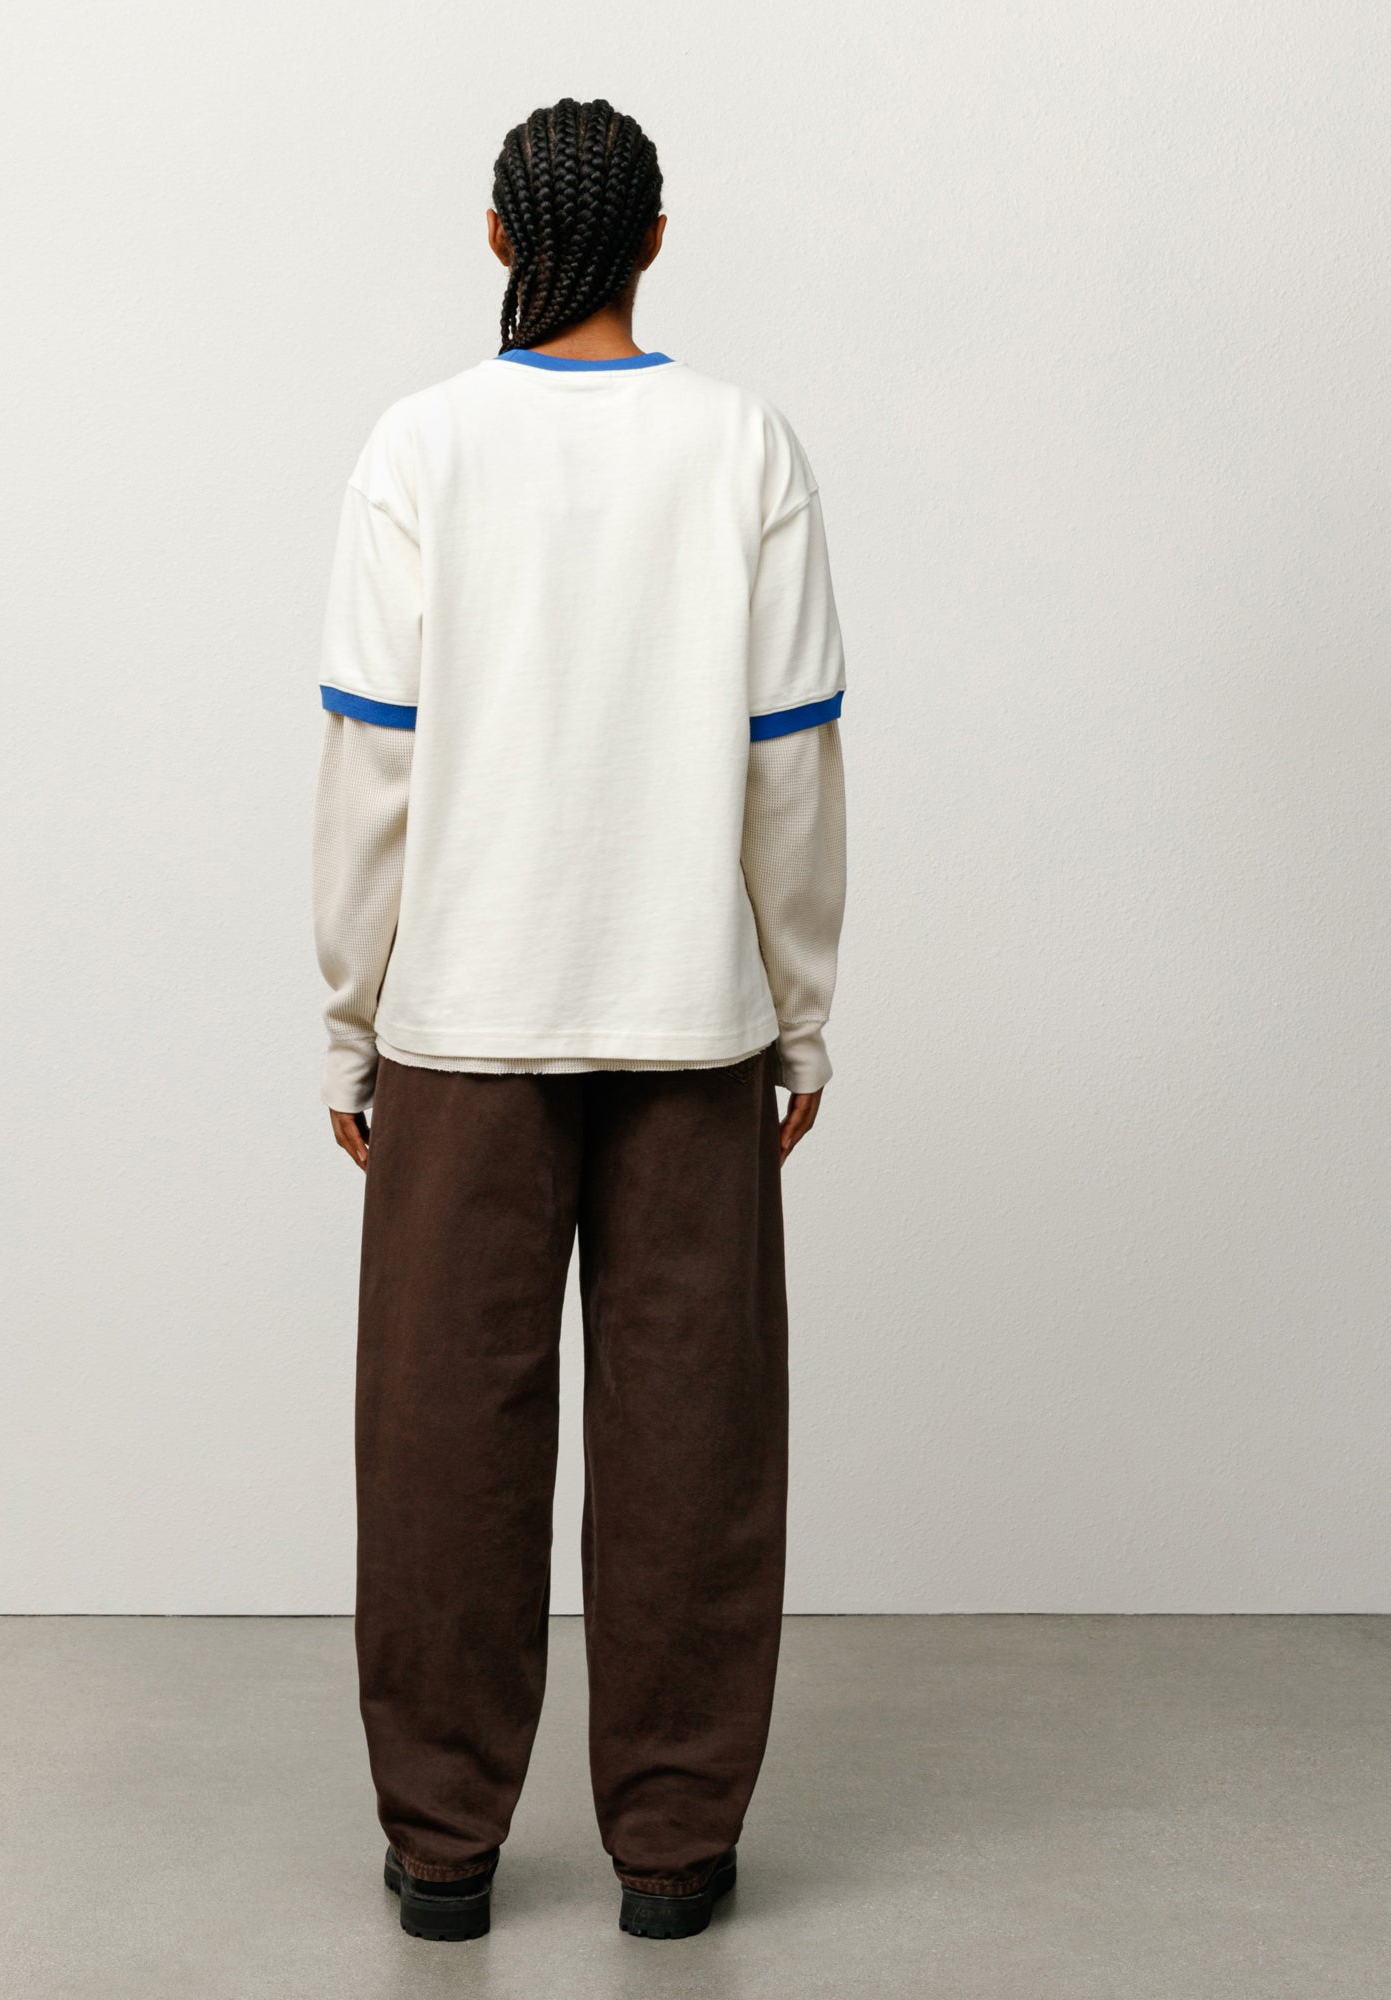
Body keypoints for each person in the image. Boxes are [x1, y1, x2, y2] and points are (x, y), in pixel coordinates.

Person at [312, 95, 847, 1944]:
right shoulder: (745, 443)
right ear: (658, 238)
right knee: (696, 1443)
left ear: (495, 236)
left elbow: (371, 767)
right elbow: (792, 766)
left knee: (441, 1439)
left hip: (463, 1022)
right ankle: (675, 1852)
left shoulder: (420, 446)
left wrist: (348, 1017)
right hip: (691, 1019)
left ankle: (443, 1851)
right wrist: (801, 1014)